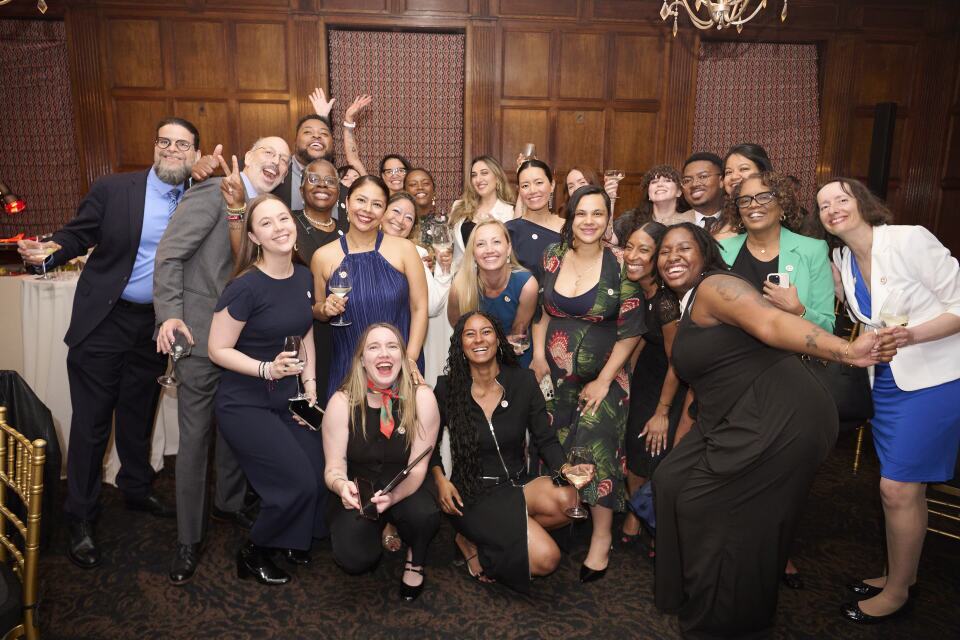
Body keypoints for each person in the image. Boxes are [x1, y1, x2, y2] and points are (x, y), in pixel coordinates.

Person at [652, 222, 896, 638]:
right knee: (670, 478)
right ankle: (683, 591)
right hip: (735, 411)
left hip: (781, 412)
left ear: (707, 253)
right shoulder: (686, 303)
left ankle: (724, 622)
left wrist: (846, 350)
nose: (672, 256)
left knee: (713, 508)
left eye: (684, 248)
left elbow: (769, 322)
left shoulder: (716, 287)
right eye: (665, 251)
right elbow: (711, 376)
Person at [17, 118, 200, 570]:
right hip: (104, 321)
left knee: (139, 413)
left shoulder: (199, 197)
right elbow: (78, 234)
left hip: (155, 326)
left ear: (195, 154)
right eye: (165, 142)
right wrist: (51, 252)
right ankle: (80, 514)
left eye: (183, 144)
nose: (173, 150)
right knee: (93, 421)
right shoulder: (115, 189)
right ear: (154, 146)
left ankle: (136, 490)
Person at [816, 178, 960, 624]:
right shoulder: (840, 258)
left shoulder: (909, 239)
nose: (834, 208)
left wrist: (911, 334)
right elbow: (857, 317)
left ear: (863, 202)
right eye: (823, 205)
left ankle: (897, 591)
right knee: (904, 488)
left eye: (842, 198)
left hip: (936, 377)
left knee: (896, 487)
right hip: (888, 382)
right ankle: (901, 574)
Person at [153, 135, 291, 584]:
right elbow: (170, 256)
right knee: (195, 439)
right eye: (267, 153)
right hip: (198, 334)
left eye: (284, 161)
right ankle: (187, 539)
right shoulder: (210, 194)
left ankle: (228, 505)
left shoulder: (270, 215)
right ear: (246, 158)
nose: (276, 163)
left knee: (236, 430)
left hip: (247, 344)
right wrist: (171, 316)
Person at [207, 194, 327, 586]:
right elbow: (216, 349)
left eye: (283, 219)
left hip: (287, 399)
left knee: (319, 467)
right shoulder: (245, 288)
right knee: (296, 482)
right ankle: (254, 550)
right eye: (267, 223)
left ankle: (293, 539)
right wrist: (266, 368)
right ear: (254, 236)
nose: (279, 228)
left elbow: (305, 330)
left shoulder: (303, 276)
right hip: (245, 403)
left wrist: (309, 386)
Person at [531, 184, 645, 582]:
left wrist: (602, 380)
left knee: (594, 448)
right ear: (570, 217)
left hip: (605, 377)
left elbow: (631, 331)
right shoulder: (553, 255)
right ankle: (567, 516)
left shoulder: (620, 262)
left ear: (608, 219)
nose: (589, 221)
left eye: (598, 214)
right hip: (556, 377)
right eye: (582, 213)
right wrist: (539, 356)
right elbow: (543, 313)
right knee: (559, 445)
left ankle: (601, 538)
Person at [431, 312, 590, 591]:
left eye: (486, 331)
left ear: (498, 339)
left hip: (518, 482)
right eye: (470, 334)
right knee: (547, 559)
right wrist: (440, 480)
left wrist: (566, 470)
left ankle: (488, 538)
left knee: (569, 500)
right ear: (460, 344)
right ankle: (469, 540)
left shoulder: (523, 382)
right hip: (475, 492)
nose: (479, 339)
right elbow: (427, 446)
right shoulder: (447, 388)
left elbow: (546, 439)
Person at [322, 323, 440, 602]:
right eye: (373, 347)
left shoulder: (422, 398)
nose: (384, 354)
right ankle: (381, 526)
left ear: (403, 356)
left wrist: (395, 496)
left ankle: (415, 557)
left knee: (424, 516)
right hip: (360, 489)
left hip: (407, 484)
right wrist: (341, 487)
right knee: (355, 558)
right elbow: (332, 469)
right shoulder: (341, 402)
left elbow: (419, 467)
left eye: (392, 346)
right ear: (361, 359)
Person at [311, 176, 428, 399]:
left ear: (384, 211)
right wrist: (324, 309)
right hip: (347, 367)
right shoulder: (323, 257)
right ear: (347, 201)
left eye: (377, 204)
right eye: (361, 200)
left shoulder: (404, 249)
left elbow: (419, 307)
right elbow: (316, 309)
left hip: (399, 366)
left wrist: (410, 359)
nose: (367, 210)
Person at [618, 220, 690, 551]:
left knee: (657, 450)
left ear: (658, 257)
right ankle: (636, 511)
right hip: (647, 376)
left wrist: (663, 411)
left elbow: (678, 359)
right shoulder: (641, 290)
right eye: (629, 246)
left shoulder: (666, 301)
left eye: (643, 249)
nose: (632, 255)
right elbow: (644, 339)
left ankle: (661, 525)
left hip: (671, 382)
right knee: (635, 448)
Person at [719, 171, 835, 332]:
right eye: (744, 200)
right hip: (729, 351)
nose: (753, 205)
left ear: (782, 206)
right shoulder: (721, 250)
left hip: (789, 352)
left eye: (764, 197)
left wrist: (798, 310)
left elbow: (827, 327)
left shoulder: (813, 250)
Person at [380, 191, 453, 387]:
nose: (400, 220)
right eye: (395, 211)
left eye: (409, 218)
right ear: (382, 210)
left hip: (404, 344)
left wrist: (444, 271)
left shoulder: (416, 253)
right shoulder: (357, 247)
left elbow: (431, 307)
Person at [293, 158, 349, 407]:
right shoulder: (288, 223)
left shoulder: (349, 229)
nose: (322, 186)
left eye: (330, 182)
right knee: (306, 405)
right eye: (314, 179)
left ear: (338, 192)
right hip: (301, 330)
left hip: (344, 330)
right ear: (301, 188)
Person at [448, 220, 538, 367]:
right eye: (481, 244)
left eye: (496, 242)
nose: (489, 250)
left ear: (508, 249)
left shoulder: (527, 285)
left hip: (515, 359)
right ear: (473, 253)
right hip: (477, 358)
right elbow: (458, 327)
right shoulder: (460, 286)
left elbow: (517, 336)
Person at [505, 159, 565, 284]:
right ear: (519, 191)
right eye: (525, 185)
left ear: (552, 185)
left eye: (538, 182)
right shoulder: (510, 230)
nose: (532, 190)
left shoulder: (568, 227)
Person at [449, 156, 516, 266]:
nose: (478, 179)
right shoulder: (458, 206)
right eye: (474, 175)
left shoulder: (510, 212)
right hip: (462, 277)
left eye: (484, 173)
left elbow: (512, 253)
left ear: (497, 178)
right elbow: (451, 245)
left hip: (494, 278)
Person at [613, 165, 694, 241]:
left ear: (679, 192)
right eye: (654, 182)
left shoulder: (690, 220)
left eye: (667, 180)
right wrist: (610, 199)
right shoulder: (632, 218)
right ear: (649, 194)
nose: (660, 184)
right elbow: (610, 239)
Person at [718, 143, 774, 240]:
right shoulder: (718, 221)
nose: (734, 177)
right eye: (728, 172)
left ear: (763, 172)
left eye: (744, 169)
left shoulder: (773, 215)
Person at [679, 152, 725, 235]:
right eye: (687, 180)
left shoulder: (739, 223)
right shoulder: (672, 224)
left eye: (703, 177)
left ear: (721, 181)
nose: (694, 184)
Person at [405, 168, 446, 245]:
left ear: (434, 191)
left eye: (426, 183)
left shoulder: (447, 222)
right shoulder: (400, 222)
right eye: (413, 184)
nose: (420, 187)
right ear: (405, 192)